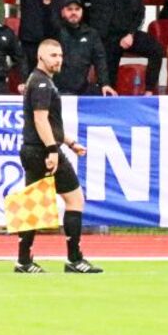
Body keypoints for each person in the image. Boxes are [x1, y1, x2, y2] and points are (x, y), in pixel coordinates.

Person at [13, 37, 100, 274]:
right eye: (53, 55)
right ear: (40, 56)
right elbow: (40, 120)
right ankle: (74, 259)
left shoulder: (38, 80)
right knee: (74, 200)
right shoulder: (42, 83)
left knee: (32, 204)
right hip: (42, 150)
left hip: (33, 149)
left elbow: (48, 123)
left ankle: (23, 261)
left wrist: (70, 142)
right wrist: (53, 150)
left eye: (60, 55)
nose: (58, 60)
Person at [86, 0, 165, 92]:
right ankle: (109, 96)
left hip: (128, 34)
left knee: (156, 50)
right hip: (106, 37)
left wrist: (131, 34)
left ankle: (149, 91)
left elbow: (140, 12)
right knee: (108, 77)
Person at [52, 0, 117, 96]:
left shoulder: (91, 34)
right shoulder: (54, 33)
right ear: (62, 12)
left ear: (82, 12)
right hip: (57, 90)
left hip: (82, 89)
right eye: (69, 9)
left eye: (77, 9)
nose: (74, 12)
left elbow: (100, 60)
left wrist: (105, 83)